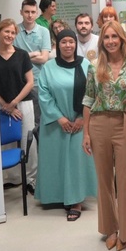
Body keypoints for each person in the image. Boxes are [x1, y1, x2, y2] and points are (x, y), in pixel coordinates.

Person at [82, 21, 126, 251]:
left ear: (122, 39)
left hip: (125, 123)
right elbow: (88, 100)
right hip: (99, 123)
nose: (110, 41)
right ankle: (110, 228)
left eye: (114, 37)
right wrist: (86, 132)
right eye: (106, 37)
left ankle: (125, 232)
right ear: (102, 41)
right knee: (104, 179)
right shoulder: (94, 66)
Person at [35, 29, 97, 221]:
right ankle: (57, 195)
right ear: (58, 45)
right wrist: (59, 118)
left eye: (71, 41)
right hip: (55, 124)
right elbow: (43, 94)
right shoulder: (48, 67)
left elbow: (93, 93)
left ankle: (75, 200)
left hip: (80, 123)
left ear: (75, 44)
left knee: (76, 161)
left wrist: (82, 118)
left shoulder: (86, 65)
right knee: (56, 161)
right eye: (64, 42)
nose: (68, 45)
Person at [0, 18, 38, 192]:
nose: (10, 35)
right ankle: (12, 178)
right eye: (6, 31)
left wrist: (13, 103)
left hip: (23, 103)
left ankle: (31, 179)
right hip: (0, 105)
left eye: (13, 33)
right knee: (6, 143)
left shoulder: (22, 55)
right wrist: (5, 105)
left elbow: (30, 82)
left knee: (28, 141)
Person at [12, 0, 50, 183]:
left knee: (40, 124)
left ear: (37, 13)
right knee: (25, 127)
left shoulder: (43, 31)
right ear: (21, 12)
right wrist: (33, 54)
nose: (29, 15)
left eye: (33, 12)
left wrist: (23, 57)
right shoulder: (14, 31)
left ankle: (42, 167)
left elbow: (44, 59)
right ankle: (26, 172)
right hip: (19, 85)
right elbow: (12, 57)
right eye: (26, 11)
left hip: (39, 83)